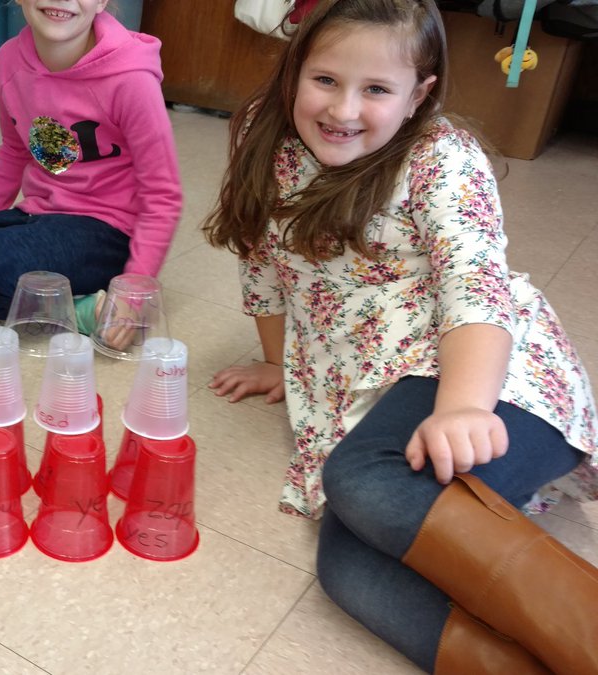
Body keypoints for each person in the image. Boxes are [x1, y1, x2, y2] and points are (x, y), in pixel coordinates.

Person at [202, 0, 597, 671]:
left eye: (377, 89)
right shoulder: (261, 134)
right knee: (347, 568)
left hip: (488, 374)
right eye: (325, 80)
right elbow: (263, 259)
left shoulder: (441, 155)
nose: (343, 109)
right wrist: (284, 363)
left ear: (420, 95)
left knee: (361, 481)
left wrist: (464, 406)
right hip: (370, 379)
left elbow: (476, 284)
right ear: (295, 66)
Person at [0, 0, 182, 335]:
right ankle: (45, 295)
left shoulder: (132, 79)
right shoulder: (9, 61)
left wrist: (134, 293)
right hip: (37, 217)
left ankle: (79, 311)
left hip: (109, 232)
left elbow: (163, 197)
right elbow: (14, 151)